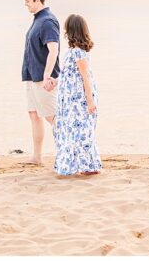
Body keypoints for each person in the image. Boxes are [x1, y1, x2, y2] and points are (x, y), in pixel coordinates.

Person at [52, 13, 102, 177]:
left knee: (82, 131)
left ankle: (88, 165)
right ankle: (77, 164)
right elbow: (68, 75)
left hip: (79, 100)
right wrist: (55, 81)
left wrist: (89, 101)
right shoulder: (71, 52)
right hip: (69, 100)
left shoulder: (79, 53)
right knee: (70, 130)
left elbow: (85, 78)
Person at [21, 0, 60, 165]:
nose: (26, 4)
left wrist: (46, 75)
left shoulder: (47, 21)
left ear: (38, 0)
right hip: (31, 75)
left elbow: (54, 50)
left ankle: (68, 154)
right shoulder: (37, 19)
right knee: (34, 115)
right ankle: (37, 157)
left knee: (53, 117)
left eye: (28, 1)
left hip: (43, 79)